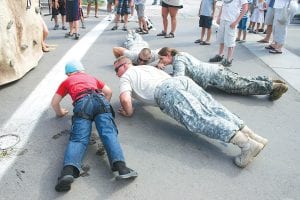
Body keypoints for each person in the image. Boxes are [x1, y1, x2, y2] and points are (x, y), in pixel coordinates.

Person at [114, 56, 268, 168]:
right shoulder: (145, 67)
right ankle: (253, 135)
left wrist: (128, 112)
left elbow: (125, 100)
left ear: (124, 65)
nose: (116, 74)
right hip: (181, 81)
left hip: (167, 92)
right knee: (214, 108)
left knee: (201, 119)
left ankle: (247, 145)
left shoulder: (126, 76)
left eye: (116, 69)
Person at [51, 60, 138, 192]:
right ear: (82, 70)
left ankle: (68, 172)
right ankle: (122, 167)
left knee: (78, 139)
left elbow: (55, 103)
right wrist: (102, 108)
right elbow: (108, 92)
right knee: (109, 133)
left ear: (68, 73)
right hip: (100, 100)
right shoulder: (91, 77)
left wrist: (61, 112)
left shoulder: (67, 81)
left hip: (82, 104)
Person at [157, 47, 288, 100]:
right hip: (216, 71)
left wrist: (162, 76)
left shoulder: (178, 61)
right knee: (243, 80)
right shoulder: (180, 55)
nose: (162, 61)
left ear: (168, 55)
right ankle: (269, 80)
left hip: (216, 76)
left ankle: (273, 87)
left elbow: (178, 78)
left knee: (242, 86)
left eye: (162, 59)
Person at [208, 0, 248, 67]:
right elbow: (223, 5)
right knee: (221, 39)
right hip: (223, 20)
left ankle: (229, 60)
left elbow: (245, 8)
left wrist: (236, 22)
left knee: (230, 41)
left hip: (231, 21)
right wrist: (219, 17)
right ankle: (220, 55)